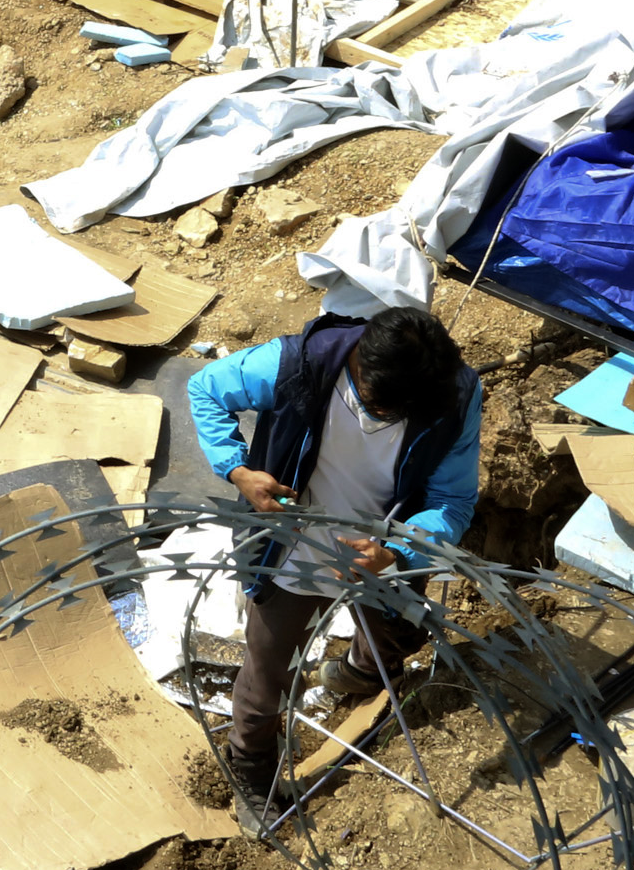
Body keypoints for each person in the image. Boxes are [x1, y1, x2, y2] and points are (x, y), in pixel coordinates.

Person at [187, 308, 481, 808]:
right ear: (361, 368)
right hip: (290, 550)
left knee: (397, 634)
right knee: (267, 674)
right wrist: (237, 470)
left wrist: (397, 548)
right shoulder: (299, 365)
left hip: (379, 554)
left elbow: (452, 502)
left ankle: (358, 674)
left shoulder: (452, 394)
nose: (395, 419)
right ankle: (252, 772)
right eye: (386, 409)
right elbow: (206, 387)